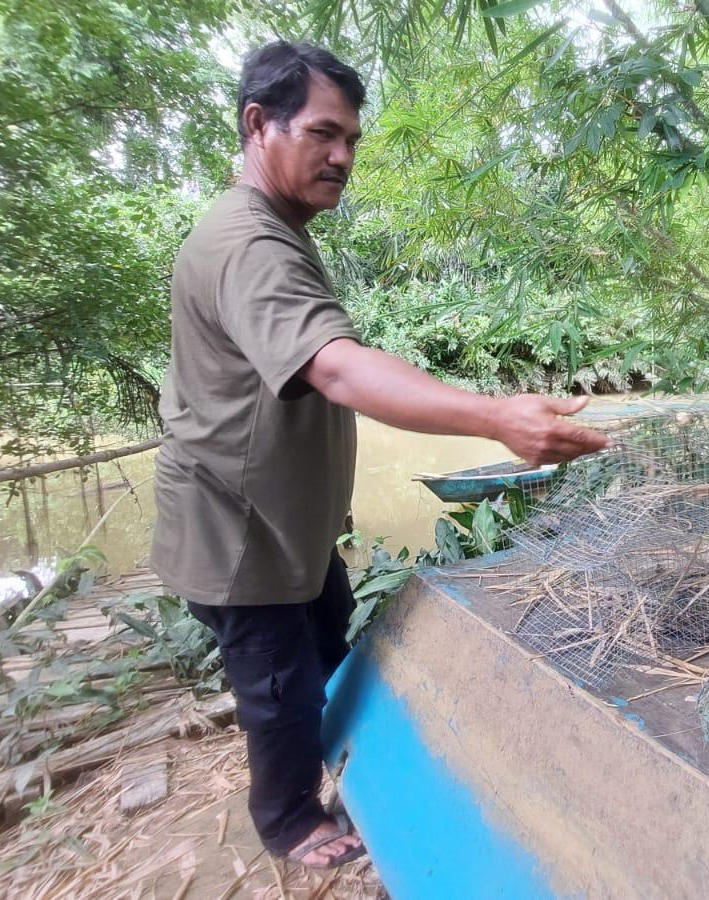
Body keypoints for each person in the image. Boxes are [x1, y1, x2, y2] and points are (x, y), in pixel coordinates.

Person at [150, 40, 608, 869]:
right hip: (238, 531)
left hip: (283, 524)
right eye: (324, 133)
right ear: (259, 125)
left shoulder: (278, 227)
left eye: (353, 140)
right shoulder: (249, 242)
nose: (342, 156)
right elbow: (334, 364)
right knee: (278, 687)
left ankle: (348, 770)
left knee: (327, 648)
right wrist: (493, 416)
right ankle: (289, 822)